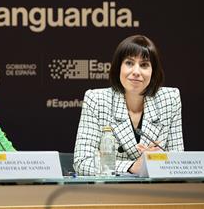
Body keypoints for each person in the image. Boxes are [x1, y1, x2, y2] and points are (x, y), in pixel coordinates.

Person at [73, 35, 184, 176]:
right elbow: (82, 162)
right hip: (110, 193)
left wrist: (158, 159)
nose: (136, 72)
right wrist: (132, 166)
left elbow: (179, 161)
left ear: (153, 71)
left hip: (157, 193)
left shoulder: (170, 99)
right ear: (118, 67)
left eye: (144, 65)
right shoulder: (97, 99)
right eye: (129, 63)